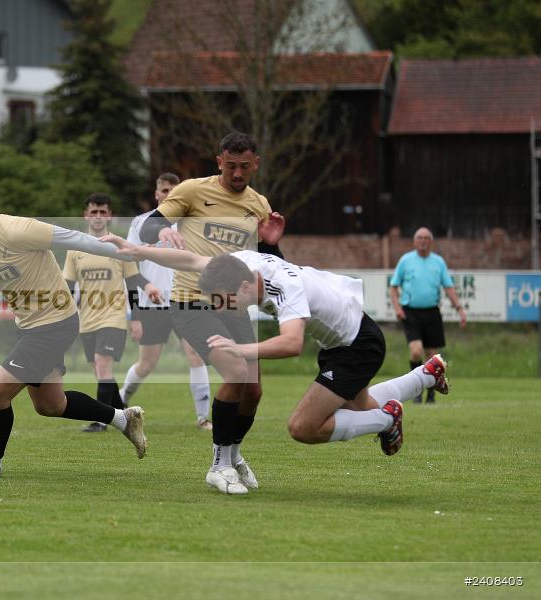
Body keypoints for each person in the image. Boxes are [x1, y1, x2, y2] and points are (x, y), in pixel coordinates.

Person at [102, 236, 451, 495]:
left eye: (224, 301)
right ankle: (426, 374)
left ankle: (389, 418)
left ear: (243, 286)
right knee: (360, 405)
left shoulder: (284, 289)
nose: (221, 309)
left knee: (303, 427)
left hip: (357, 346)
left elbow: (291, 344)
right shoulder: (237, 265)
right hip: (344, 340)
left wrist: (240, 349)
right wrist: (137, 251)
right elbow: (191, 259)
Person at [0, 181, 148, 479]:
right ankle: (123, 419)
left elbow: (74, 238)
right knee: (51, 405)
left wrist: (129, 252)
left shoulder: (16, 229)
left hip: (55, 323)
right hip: (29, 328)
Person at [136, 131, 286, 494]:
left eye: (244, 166)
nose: (238, 173)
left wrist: (271, 244)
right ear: (219, 162)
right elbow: (149, 224)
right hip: (192, 302)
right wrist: (163, 232)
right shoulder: (191, 191)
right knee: (235, 372)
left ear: (256, 164)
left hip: (233, 307)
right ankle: (218, 466)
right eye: (230, 166)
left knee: (253, 390)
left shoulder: (258, 204)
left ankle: (233, 455)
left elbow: (271, 265)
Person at [63, 193, 163, 432]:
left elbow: (133, 283)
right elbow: (68, 286)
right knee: (101, 372)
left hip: (114, 318)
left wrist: (136, 318)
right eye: (93, 212)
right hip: (87, 320)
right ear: (86, 215)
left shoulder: (119, 247)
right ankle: (125, 416)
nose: (98, 216)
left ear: (109, 215)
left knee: (103, 366)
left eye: (102, 212)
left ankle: (101, 421)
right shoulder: (75, 249)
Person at [121, 173, 213, 430]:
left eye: (174, 190)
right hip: (152, 304)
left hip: (187, 300)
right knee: (146, 364)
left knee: (196, 355)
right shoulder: (142, 223)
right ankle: (120, 401)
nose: (168, 194)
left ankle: (203, 417)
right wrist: (134, 314)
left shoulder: (192, 224)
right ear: (156, 194)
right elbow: (129, 265)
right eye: (164, 190)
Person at [389, 227, 467, 403]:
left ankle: (431, 393)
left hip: (432, 312)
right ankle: (416, 390)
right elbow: (393, 287)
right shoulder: (406, 260)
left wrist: (459, 309)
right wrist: (397, 308)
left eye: (426, 238)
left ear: (431, 241)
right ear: (414, 241)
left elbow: (448, 287)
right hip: (410, 312)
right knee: (416, 352)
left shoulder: (438, 262)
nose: (423, 241)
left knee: (432, 357)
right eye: (419, 238)